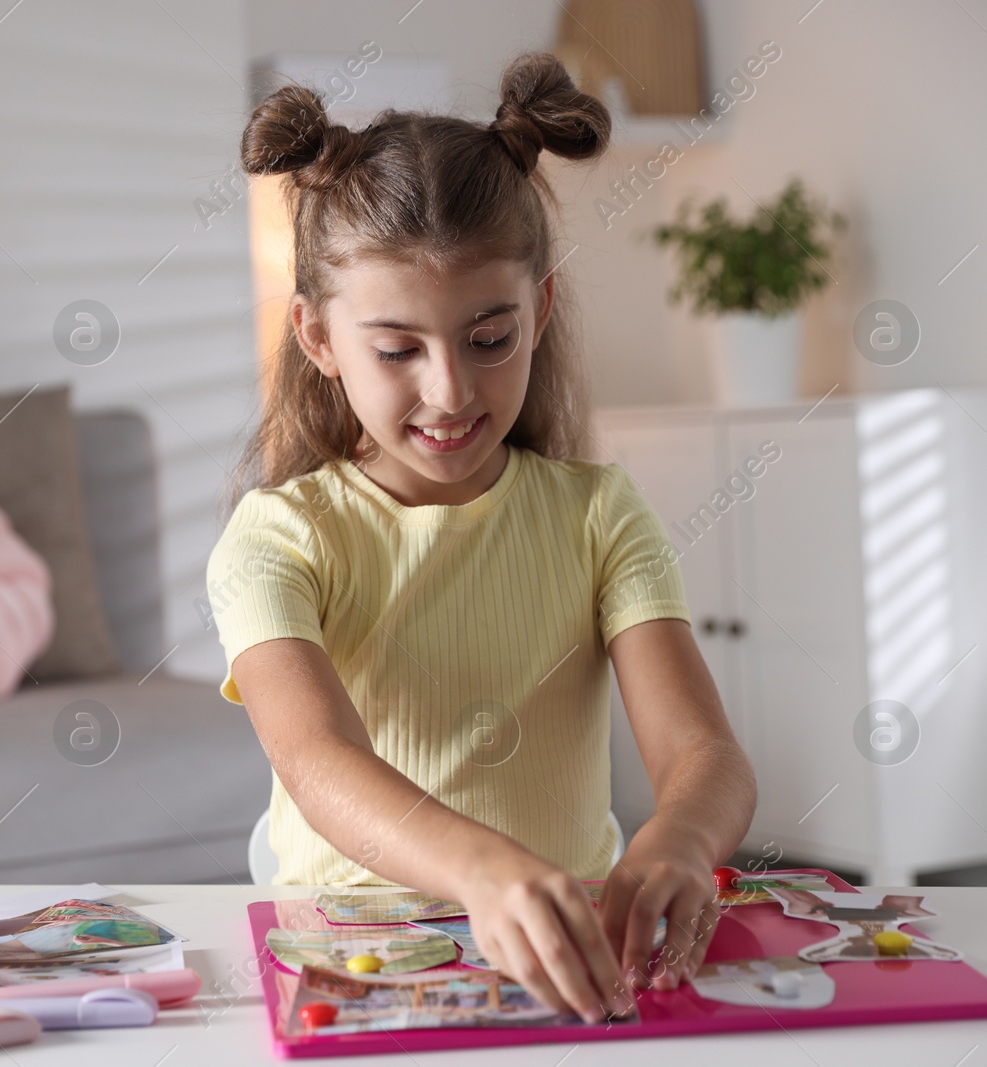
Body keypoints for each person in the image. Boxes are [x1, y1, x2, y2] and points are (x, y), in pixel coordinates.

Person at [206, 50, 756, 1024]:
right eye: (397, 349)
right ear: (318, 337)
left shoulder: (598, 512)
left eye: (488, 337)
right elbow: (316, 759)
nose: (451, 389)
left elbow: (704, 751)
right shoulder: (277, 536)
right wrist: (484, 870)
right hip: (352, 955)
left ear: (539, 312)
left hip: (573, 953)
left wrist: (677, 838)